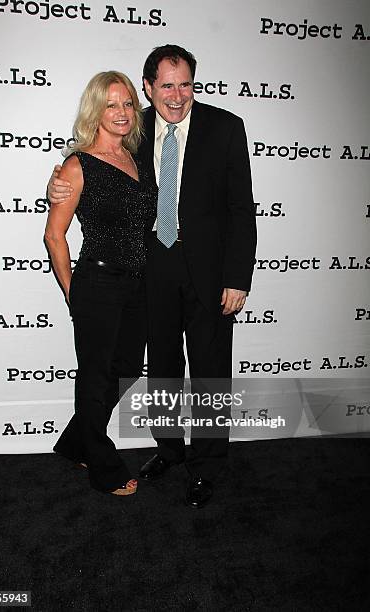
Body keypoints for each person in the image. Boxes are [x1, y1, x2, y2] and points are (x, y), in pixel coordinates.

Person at [48, 45, 257, 508]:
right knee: (161, 368)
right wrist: (56, 181)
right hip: (151, 271)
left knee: (209, 374)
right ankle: (168, 450)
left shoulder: (225, 128)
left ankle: (206, 467)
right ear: (149, 87)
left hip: (209, 273)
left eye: (185, 84)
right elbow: (94, 165)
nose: (177, 95)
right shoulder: (133, 127)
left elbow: (242, 209)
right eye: (166, 85)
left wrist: (237, 277)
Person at [44, 71, 156, 496]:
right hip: (99, 281)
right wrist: (74, 290)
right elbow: (54, 235)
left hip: (139, 285)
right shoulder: (77, 164)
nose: (122, 112)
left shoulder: (138, 159)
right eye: (112, 104)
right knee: (95, 377)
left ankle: (76, 441)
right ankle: (103, 465)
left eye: (128, 103)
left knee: (124, 371)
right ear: (96, 109)